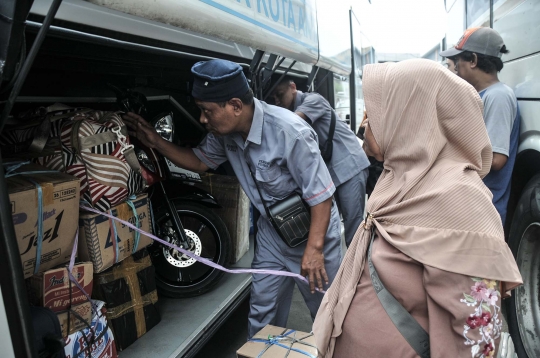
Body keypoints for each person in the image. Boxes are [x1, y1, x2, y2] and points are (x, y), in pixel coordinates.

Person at [313, 59, 522, 357]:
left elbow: (473, 334)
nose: (363, 124)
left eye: (375, 113)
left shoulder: (461, 204)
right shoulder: (400, 177)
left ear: (411, 117)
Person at [123, 59, 342, 339]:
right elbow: (199, 161)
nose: (202, 119)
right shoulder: (224, 134)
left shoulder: (290, 133)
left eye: (207, 111)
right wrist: (155, 141)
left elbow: (321, 196)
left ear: (236, 106)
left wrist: (314, 250)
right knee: (263, 310)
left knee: (326, 312)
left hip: (313, 233)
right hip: (273, 234)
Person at [272, 79, 370, 247]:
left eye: (280, 95)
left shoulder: (313, 100)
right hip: (334, 174)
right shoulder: (292, 108)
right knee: (331, 226)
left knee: (353, 229)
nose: (277, 101)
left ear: (293, 87)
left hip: (349, 167)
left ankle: (358, 271)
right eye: (273, 98)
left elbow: (292, 124)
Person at [441, 27, 520, 225]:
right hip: (473, 206)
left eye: (458, 60)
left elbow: (496, 160)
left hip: (483, 210)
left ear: (474, 61)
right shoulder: (483, 95)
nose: (456, 67)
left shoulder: (498, 97)